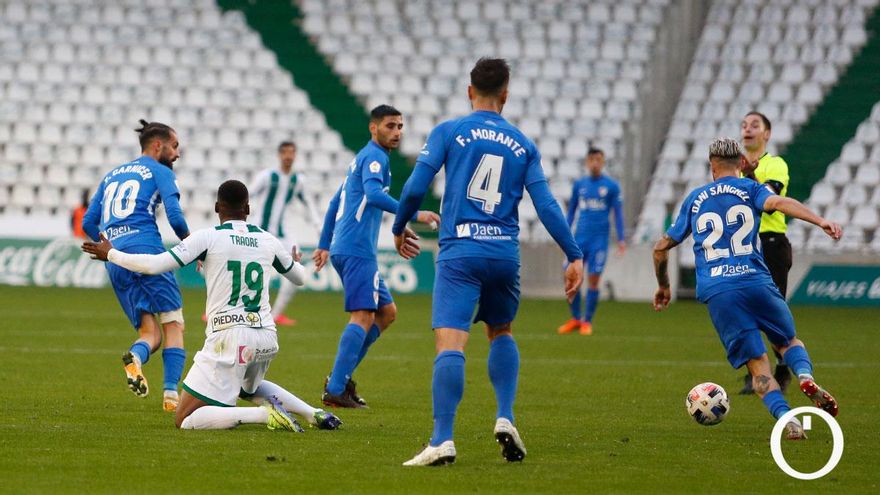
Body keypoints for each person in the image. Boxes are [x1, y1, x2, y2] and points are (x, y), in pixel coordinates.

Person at [392, 58, 584, 466]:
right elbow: (546, 205)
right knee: (501, 330)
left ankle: (442, 439)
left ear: (469, 91)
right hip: (503, 254)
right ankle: (505, 416)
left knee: (450, 341)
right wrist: (574, 253)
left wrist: (400, 225)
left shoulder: (449, 131)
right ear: (506, 95)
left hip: (460, 252)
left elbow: (414, 187)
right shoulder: (523, 144)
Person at [81, 180, 342, 432]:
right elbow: (300, 278)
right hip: (266, 338)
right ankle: (314, 413)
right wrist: (295, 262)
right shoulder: (268, 240)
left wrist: (111, 254)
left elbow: (154, 265)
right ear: (248, 209)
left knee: (184, 418)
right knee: (248, 388)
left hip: (229, 338)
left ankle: (263, 414)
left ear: (217, 208)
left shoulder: (207, 238)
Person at [651, 137, 839, 440]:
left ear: (712, 167)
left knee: (757, 368)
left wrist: (663, 286)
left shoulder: (695, 198)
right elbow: (778, 203)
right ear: (740, 164)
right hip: (756, 281)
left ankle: (788, 420)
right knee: (787, 341)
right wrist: (820, 221)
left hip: (719, 292)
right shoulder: (750, 188)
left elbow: (660, 248)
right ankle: (804, 375)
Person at [313, 105, 440, 409]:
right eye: (390, 126)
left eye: (400, 126)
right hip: (357, 249)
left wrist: (323, 244)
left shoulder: (363, 158)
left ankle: (340, 380)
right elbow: (373, 195)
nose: (396, 132)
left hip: (350, 247)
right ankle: (335, 388)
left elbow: (335, 202)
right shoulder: (374, 157)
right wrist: (414, 212)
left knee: (387, 312)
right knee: (363, 316)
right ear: (374, 128)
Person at [81, 120, 189, 412]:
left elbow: (88, 222)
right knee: (173, 322)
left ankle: (135, 357)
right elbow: (176, 218)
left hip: (113, 257)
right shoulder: (160, 171)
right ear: (158, 145)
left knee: (149, 333)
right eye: (175, 146)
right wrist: (193, 247)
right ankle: (170, 396)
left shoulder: (111, 175)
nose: (177, 154)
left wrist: (111, 247)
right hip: (148, 253)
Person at [738, 111, 794, 394]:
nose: (748, 129)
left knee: (772, 313)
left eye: (755, 125)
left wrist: (749, 173)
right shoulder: (732, 169)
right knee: (743, 313)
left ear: (767, 134)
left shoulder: (776, 164)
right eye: (744, 125)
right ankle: (756, 374)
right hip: (744, 246)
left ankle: (783, 368)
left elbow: (769, 199)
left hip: (771, 244)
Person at [247, 141, 322, 326]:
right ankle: (220, 310)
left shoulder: (299, 181)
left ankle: (276, 314)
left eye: (292, 152)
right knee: (243, 268)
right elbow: (247, 195)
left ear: (295, 155)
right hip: (259, 230)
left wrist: (319, 229)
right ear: (279, 155)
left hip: (281, 234)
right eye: (285, 152)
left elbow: (310, 206)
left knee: (296, 268)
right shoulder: (267, 176)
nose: (288, 156)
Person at [557, 147, 625, 336]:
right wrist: (563, 234)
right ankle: (576, 318)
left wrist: (621, 239)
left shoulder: (611, 186)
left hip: (599, 241)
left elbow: (618, 213)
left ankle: (587, 321)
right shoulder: (580, 185)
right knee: (571, 277)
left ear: (603, 162)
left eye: (598, 159)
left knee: (593, 280)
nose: (595, 163)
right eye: (592, 159)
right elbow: (572, 211)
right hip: (579, 239)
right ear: (587, 162)